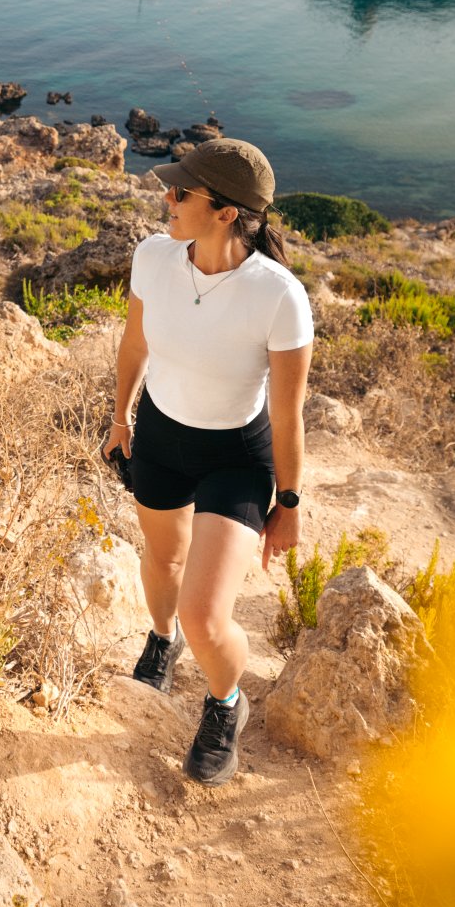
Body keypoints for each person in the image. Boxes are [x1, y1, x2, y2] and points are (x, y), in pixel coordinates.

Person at [105, 138, 313, 785]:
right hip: (160, 438)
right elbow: (134, 344)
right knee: (163, 559)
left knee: (206, 615)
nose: (166, 198)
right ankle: (161, 640)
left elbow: (287, 414)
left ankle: (225, 703)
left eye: (182, 192)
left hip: (235, 458)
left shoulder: (279, 296)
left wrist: (289, 503)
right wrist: (120, 418)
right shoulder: (153, 257)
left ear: (226, 212)